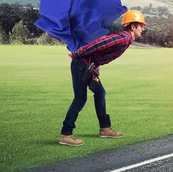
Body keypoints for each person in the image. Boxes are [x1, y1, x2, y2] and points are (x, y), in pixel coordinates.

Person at [59, 10, 146, 146]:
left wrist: (96, 66)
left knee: (100, 92)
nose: (143, 28)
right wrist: (77, 54)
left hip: (88, 66)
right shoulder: (123, 38)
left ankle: (105, 128)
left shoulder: (126, 39)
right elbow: (100, 43)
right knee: (80, 98)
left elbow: (102, 52)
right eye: (141, 25)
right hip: (81, 64)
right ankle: (66, 134)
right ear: (133, 27)